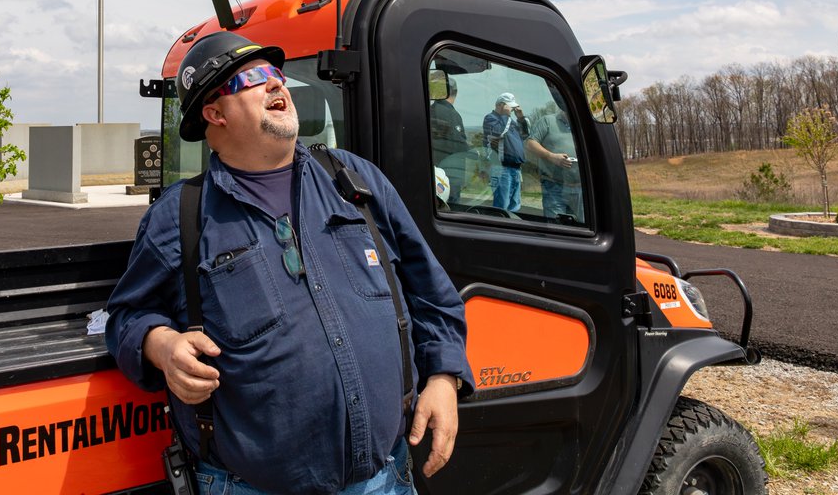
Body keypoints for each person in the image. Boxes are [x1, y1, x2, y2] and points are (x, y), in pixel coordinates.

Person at [107, 32, 473, 495]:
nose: (276, 85)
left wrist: (443, 377)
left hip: (387, 478)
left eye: (277, 74)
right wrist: (162, 346)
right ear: (215, 113)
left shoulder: (356, 181)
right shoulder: (181, 217)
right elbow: (125, 317)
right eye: (255, 78)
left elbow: (431, 293)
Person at [525, 104, 582, 222]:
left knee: (580, 228)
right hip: (554, 186)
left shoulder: (582, 126)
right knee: (556, 227)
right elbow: (530, 144)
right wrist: (552, 157)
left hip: (580, 188)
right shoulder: (547, 121)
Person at [481, 93, 529, 212]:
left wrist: (521, 119)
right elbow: (497, 132)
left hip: (515, 168)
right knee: (502, 205)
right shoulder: (490, 118)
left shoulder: (510, 121)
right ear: (501, 105)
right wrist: (506, 116)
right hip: (501, 168)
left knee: (514, 205)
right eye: (510, 107)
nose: (511, 110)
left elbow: (525, 135)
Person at [429, 74, 468, 206]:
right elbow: (459, 146)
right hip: (449, 177)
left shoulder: (429, 110)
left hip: (432, 173)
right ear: (455, 92)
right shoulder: (451, 114)